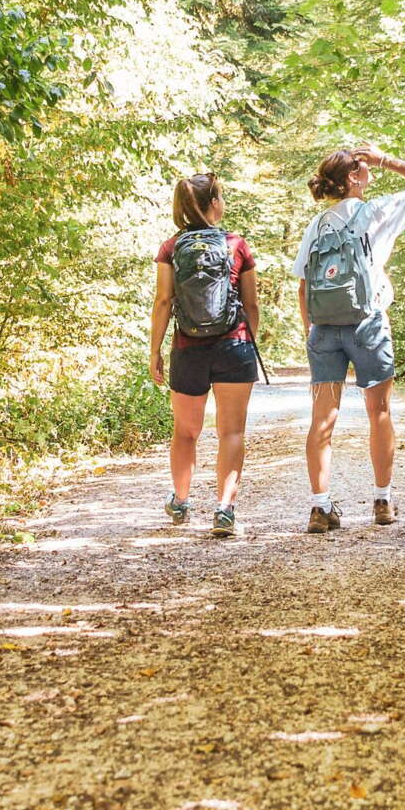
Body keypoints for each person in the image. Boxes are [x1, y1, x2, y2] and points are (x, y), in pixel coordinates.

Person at [288, 144, 405, 531]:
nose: (370, 171)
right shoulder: (376, 212)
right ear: (353, 178)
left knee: (322, 419)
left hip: (324, 329)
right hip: (368, 322)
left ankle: (320, 508)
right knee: (380, 413)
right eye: (364, 168)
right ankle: (383, 501)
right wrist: (384, 158)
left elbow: (304, 285)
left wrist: (312, 330)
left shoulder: (317, 224)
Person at [148, 172, 261, 538]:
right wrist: (247, 341)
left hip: (187, 347)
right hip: (234, 346)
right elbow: (251, 303)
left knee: (185, 432)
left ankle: (180, 501)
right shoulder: (236, 244)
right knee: (231, 432)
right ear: (214, 203)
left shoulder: (171, 247)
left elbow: (164, 301)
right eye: (221, 197)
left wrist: (155, 351)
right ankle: (224, 509)